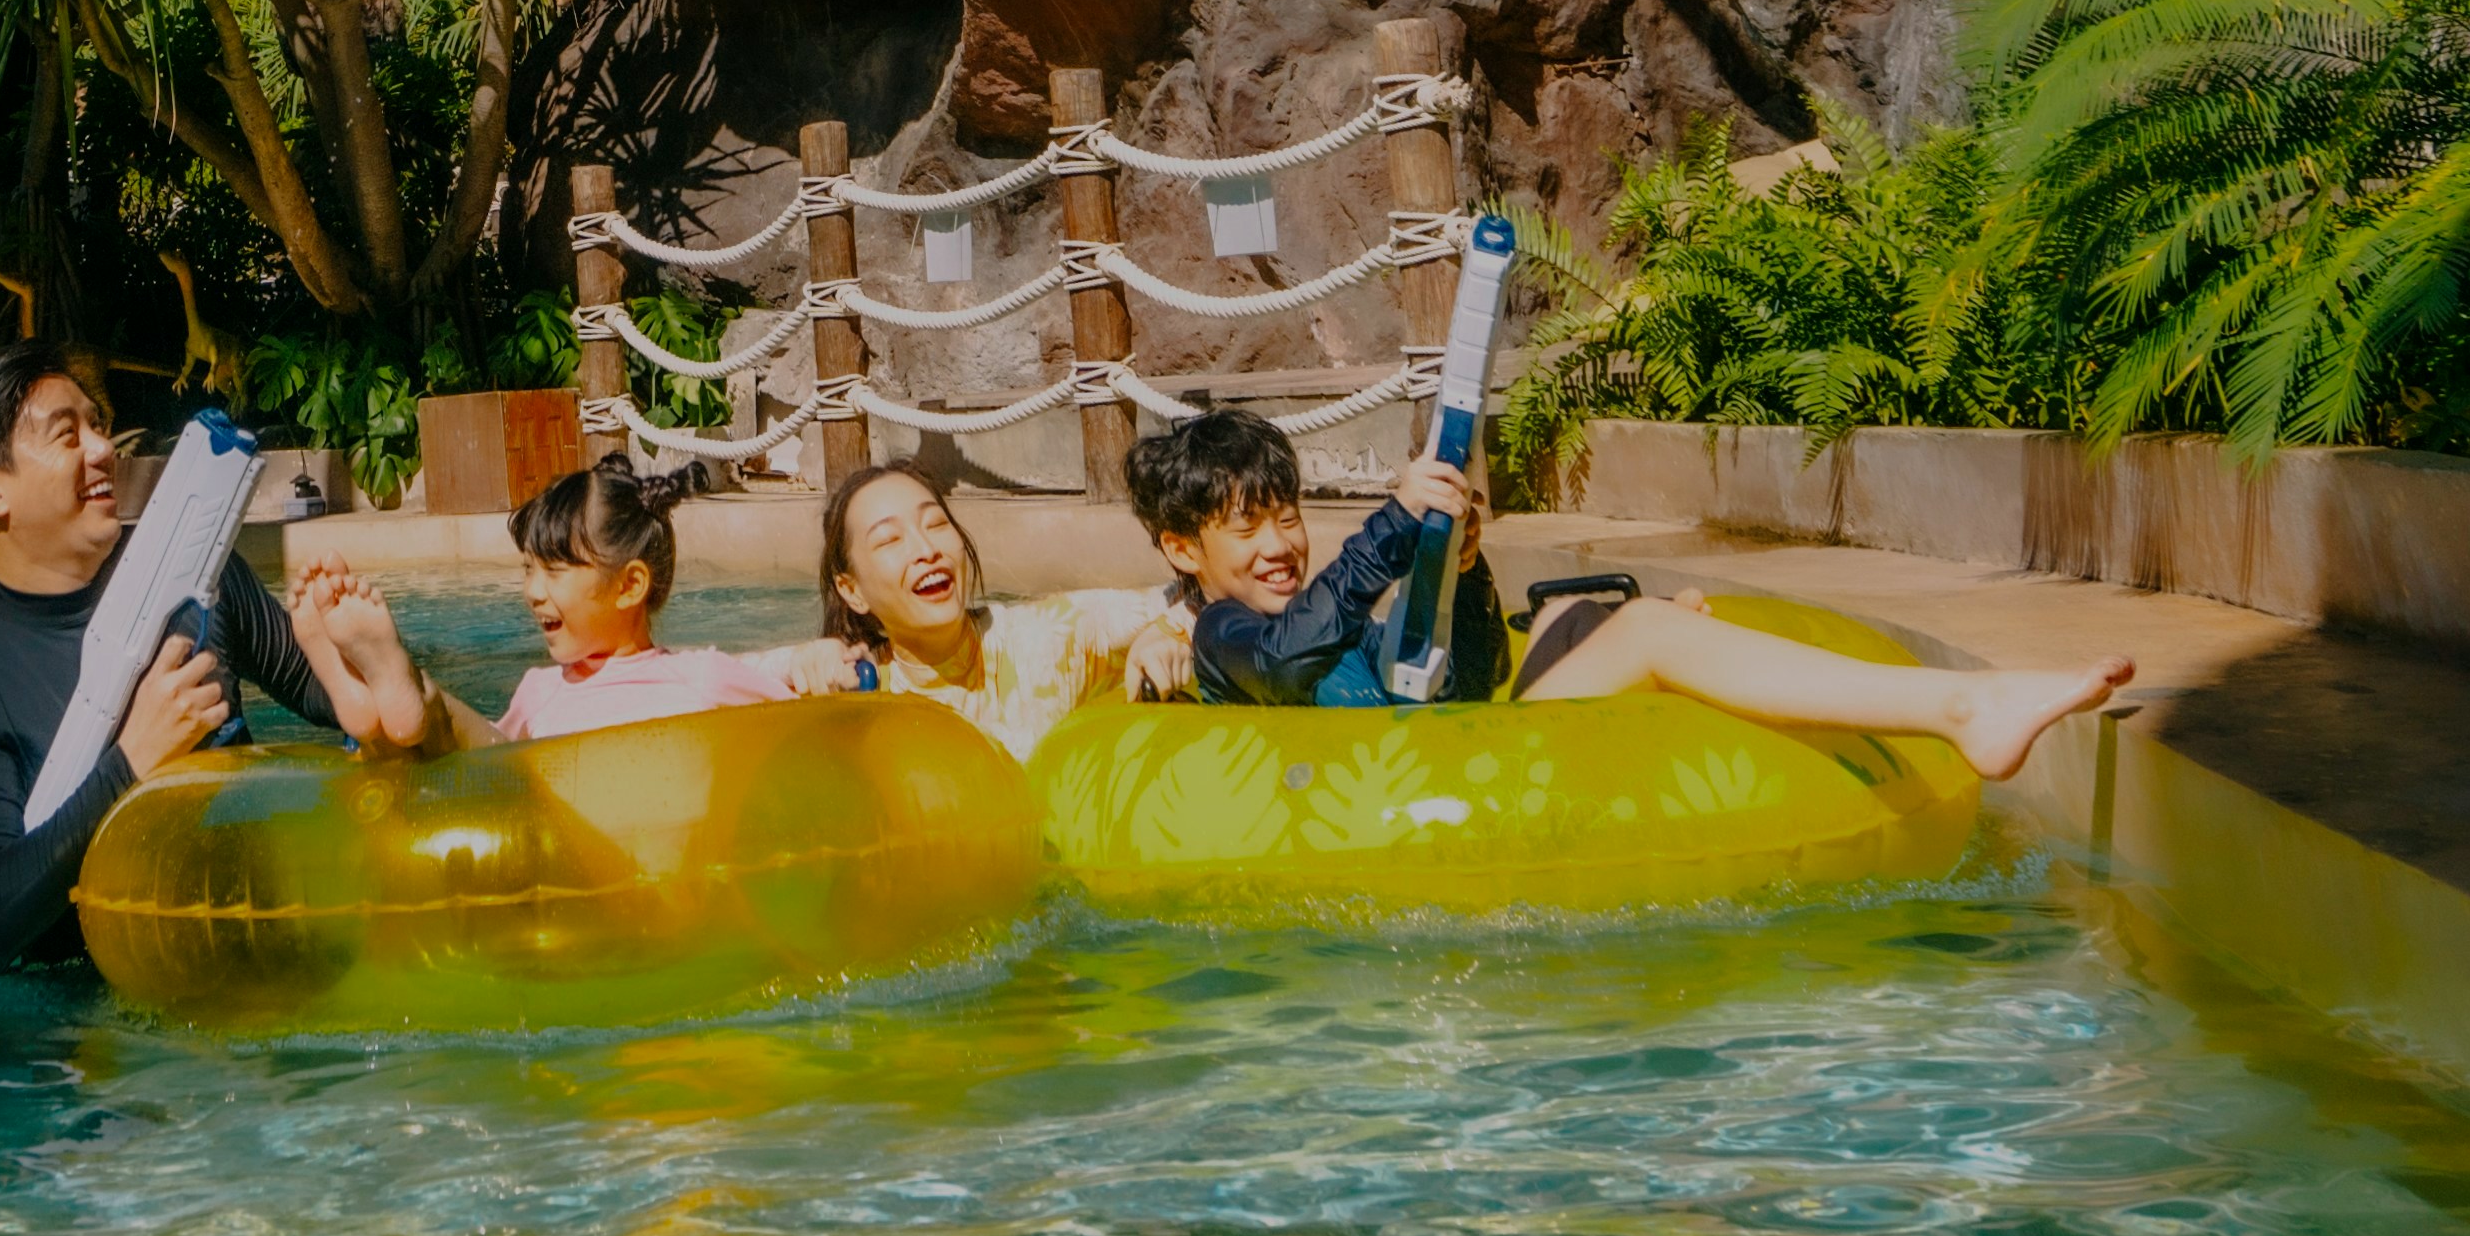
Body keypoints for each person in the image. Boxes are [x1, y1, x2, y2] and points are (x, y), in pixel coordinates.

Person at [1126, 406, 2132, 773]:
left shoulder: (1330, 613)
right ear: (1181, 547)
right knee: (1647, 631)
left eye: (1286, 512)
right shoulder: (1220, 633)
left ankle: (1687, 661)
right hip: (1394, 798)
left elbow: (1462, 682)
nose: (1280, 541)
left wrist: (1462, 569)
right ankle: (1964, 706)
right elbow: (1293, 650)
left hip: (1445, 755)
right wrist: (1388, 531)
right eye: (1245, 524)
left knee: (1575, 615)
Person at [0, 348, 443, 977]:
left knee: (380, 715)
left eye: (96, 424)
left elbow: (333, 701)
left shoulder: (194, 578)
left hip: (260, 929)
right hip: (102, 1007)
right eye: (67, 435)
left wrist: (360, 667)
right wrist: (132, 760)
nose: (104, 449)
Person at [816, 455, 1183, 758]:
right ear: (852, 591)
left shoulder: (1048, 640)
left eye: (936, 523)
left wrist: (1171, 631)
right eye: (889, 540)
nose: (926, 550)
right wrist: (791, 663)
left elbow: (1197, 593)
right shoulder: (852, 689)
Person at [486, 453, 874, 739]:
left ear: (629, 586)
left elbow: (818, 714)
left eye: (554, 571)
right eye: (528, 569)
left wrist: (819, 660)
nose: (533, 592)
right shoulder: (536, 694)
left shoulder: (702, 681)